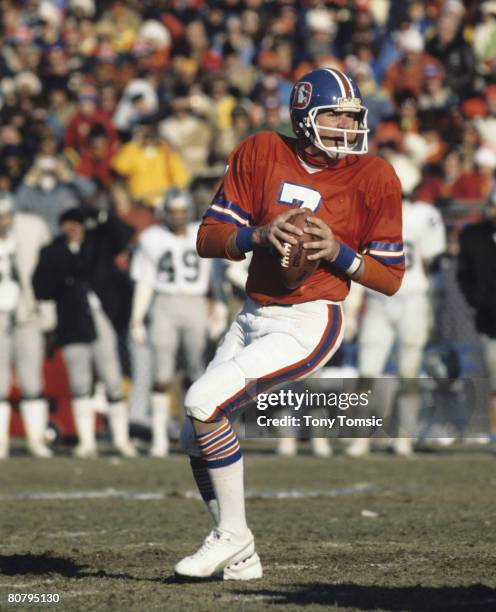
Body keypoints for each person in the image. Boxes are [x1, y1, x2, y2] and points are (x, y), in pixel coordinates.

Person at [173, 68, 404, 580]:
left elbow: (389, 278)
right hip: (252, 313)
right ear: (304, 118)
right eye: (335, 115)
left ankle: (233, 534)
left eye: (352, 116)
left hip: (309, 319)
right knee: (196, 434)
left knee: (202, 401)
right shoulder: (260, 151)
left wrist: (339, 255)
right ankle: (243, 554)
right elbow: (209, 238)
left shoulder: (375, 176)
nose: (347, 126)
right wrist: (257, 235)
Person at [346, 197, 446, 457]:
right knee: (368, 372)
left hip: (411, 298)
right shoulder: (372, 215)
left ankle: (403, 437)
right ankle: (362, 438)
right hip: (381, 299)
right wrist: (352, 311)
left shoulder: (423, 214)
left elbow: (433, 264)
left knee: (406, 372)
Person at [32, 206, 136, 458]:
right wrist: (65, 280)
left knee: (112, 379)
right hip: (71, 321)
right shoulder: (52, 251)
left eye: (77, 222)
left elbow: (122, 234)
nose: (72, 227)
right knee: (80, 382)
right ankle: (86, 441)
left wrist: (102, 212)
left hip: (101, 318)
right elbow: (40, 287)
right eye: (67, 223)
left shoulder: (97, 244)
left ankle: (121, 440)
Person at [129, 189, 212, 457]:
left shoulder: (203, 231)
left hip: (196, 302)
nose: (177, 217)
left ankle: (195, 435)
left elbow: (217, 274)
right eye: (172, 212)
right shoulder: (152, 238)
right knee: (161, 373)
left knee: (196, 372)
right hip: (164, 303)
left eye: (181, 212)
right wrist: (137, 318)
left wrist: (219, 308)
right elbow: (145, 280)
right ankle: (159, 437)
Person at [0, 192, 55, 458]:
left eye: (6, 216)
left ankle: (36, 440)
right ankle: (1, 443)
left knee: (31, 381)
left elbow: (41, 272)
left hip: (25, 315)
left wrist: (46, 317)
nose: (2, 222)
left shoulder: (29, 231)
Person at [457, 188, 496, 443]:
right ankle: (494, 433)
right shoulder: (474, 237)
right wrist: (478, 300)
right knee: (494, 381)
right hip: (490, 318)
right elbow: (465, 275)